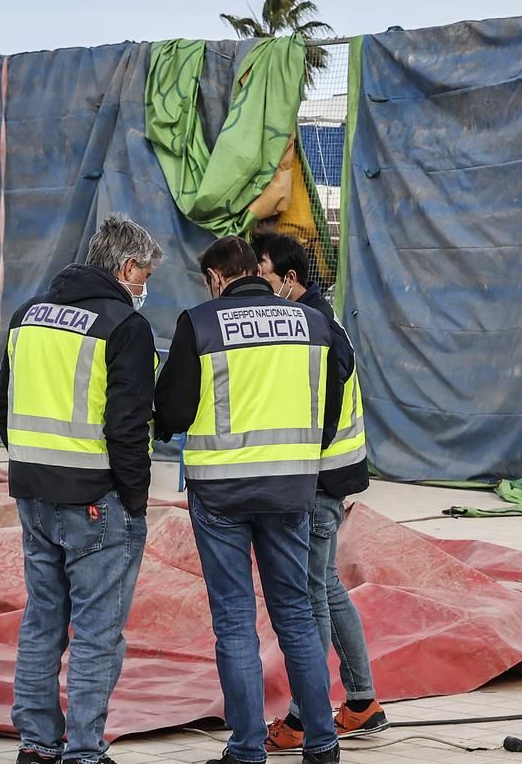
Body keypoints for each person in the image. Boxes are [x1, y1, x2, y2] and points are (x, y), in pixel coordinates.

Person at [154, 235, 351, 764]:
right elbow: (334, 391)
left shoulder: (200, 322)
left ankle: (246, 750)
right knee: (296, 614)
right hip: (291, 488)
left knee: (236, 622)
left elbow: (170, 412)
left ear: (217, 278)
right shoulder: (311, 322)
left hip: (220, 493)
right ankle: (323, 744)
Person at [0, 213, 162, 764]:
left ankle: (37, 745)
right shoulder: (125, 327)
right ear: (127, 266)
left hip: (34, 494)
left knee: (43, 620)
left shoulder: (27, 316)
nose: (144, 285)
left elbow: (1, 407)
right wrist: (134, 500)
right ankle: (85, 751)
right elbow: (128, 428)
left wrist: (35, 464)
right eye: (144, 273)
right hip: (97, 502)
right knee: (96, 630)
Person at [253, 233, 385, 754]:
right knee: (326, 586)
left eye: (263, 273)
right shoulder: (316, 321)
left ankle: (306, 717)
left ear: (289, 279)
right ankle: (361, 702)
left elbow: (318, 415)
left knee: (309, 598)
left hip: (321, 481)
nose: (256, 284)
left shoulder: (317, 332)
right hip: (335, 475)